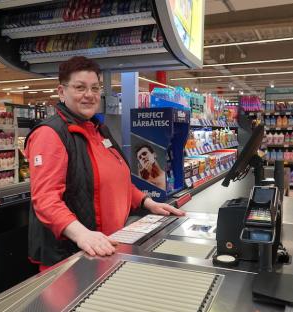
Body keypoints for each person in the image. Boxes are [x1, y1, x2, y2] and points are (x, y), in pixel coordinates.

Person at [24, 56, 185, 270]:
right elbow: (45, 200)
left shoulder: (99, 130)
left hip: (106, 247)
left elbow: (118, 180)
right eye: (80, 87)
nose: (89, 95)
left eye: (95, 88)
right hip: (72, 255)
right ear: (62, 92)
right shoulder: (50, 134)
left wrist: (148, 203)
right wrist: (82, 235)